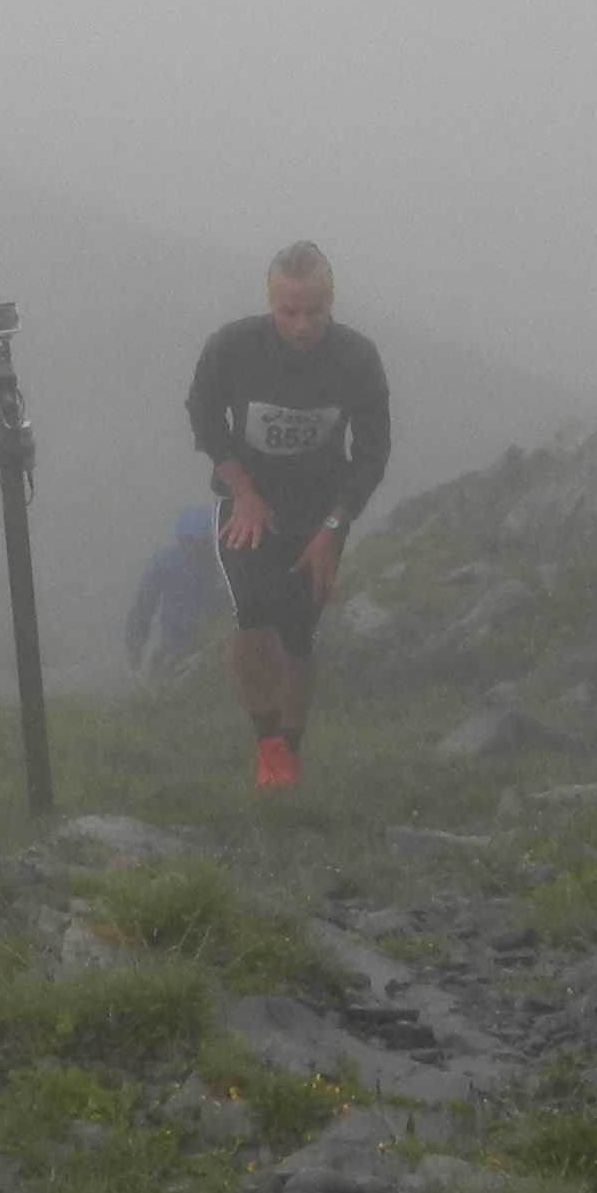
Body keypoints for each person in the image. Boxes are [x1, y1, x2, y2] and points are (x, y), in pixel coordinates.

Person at [184, 241, 391, 790]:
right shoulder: (234, 346)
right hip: (248, 502)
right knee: (254, 613)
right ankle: (269, 746)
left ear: (332, 302)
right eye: (288, 311)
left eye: (313, 312)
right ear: (270, 301)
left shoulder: (355, 358)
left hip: (319, 509)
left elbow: (372, 451)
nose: (301, 325)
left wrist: (334, 526)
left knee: (299, 633)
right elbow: (203, 415)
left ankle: (290, 752)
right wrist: (243, 492)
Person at [123, 493, 232, 674]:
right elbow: (144, 603)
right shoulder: (165, 561)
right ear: (180, 539)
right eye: (188, 541)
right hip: (176, 646)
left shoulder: (226, 562)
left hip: (220, 646)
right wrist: (134, 643)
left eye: (201, 542)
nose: (194, 548)